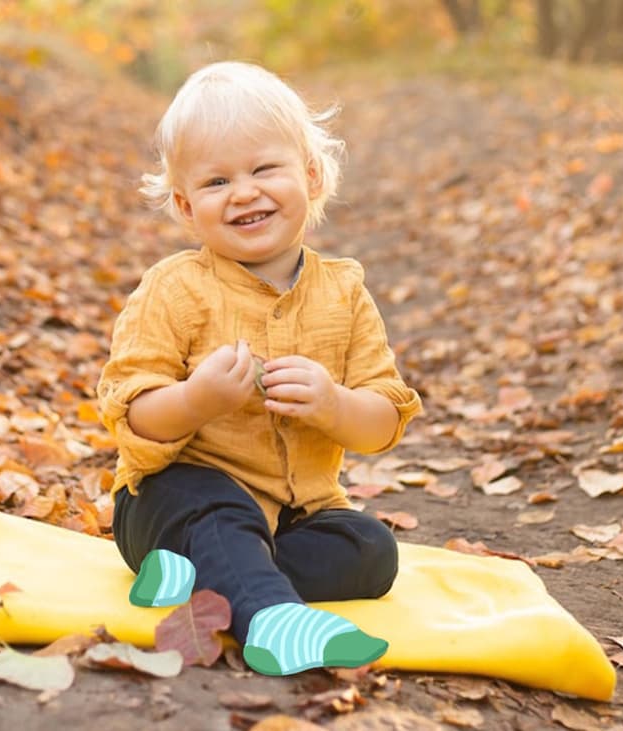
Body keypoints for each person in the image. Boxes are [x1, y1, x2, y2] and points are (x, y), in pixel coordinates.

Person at [96, 61, 422, 677]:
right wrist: (196, 400)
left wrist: (334, 406)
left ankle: (202, 579)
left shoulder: (345, 292)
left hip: (297, 514)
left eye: (264, 169)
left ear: (311, 174)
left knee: (372, 551)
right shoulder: (173, 290)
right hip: (171, 501)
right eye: (217, 181)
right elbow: (131, 409)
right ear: (187, 207)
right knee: (219, 509)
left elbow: (382, 419)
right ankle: (273, 623)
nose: (244, 192)